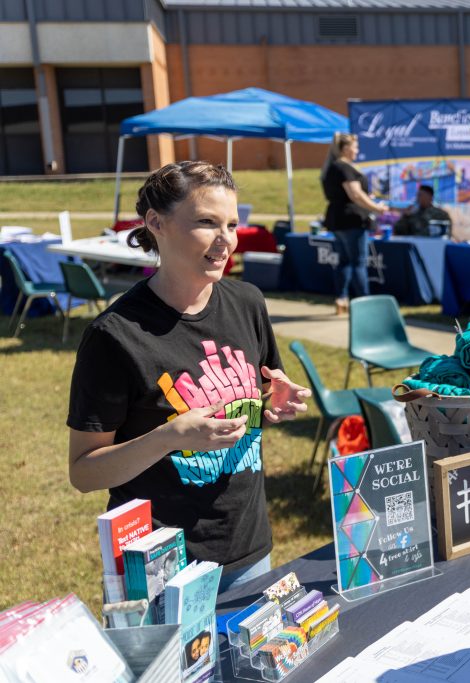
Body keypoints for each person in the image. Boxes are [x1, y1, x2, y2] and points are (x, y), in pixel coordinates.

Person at [67, 161, 312, 594]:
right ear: (156, 224)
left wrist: (275, 401)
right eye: (206, 222)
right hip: (162, 567)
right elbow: (84, 472)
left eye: (232, 224)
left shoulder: (247, 302)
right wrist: (168, 437)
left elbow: (261, 391)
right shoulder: (115, 336)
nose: (226, 240)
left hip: (249, 549)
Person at [320, 133, 388, 316]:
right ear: (345, 148)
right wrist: (376, 208)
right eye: (355, 146)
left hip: (338, 220)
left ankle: (342, 299)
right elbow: (355, 195)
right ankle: (364, 303)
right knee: (358, 262)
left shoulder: (332, 168)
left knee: (344, 261)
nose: (357, 150)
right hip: (352, 220)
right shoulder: (344, 168)